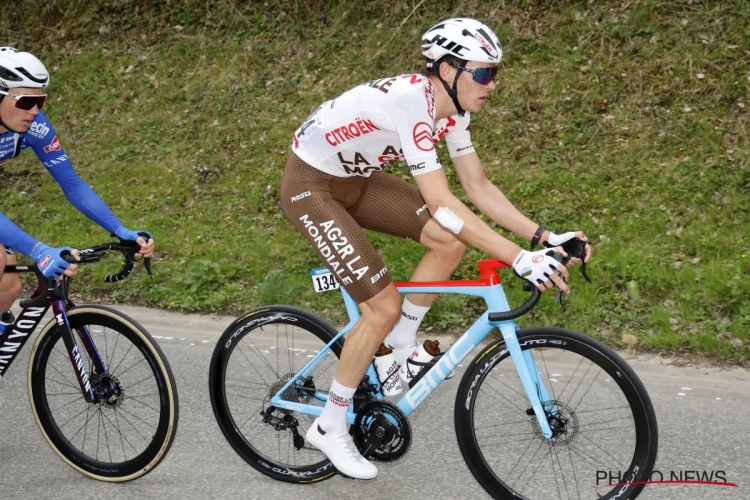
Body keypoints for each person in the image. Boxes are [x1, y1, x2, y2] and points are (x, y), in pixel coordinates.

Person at [280, 18, 591, 479]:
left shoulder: (454, 112)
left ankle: (398, 351)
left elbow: (477, 186)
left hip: (357, 180)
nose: (492, 85)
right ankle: (328, 426)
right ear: (447, 69)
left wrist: (544, 238)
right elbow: (442, 201)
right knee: (380, 307)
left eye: (495, 74)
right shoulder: (412, 101)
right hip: (311, 185)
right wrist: (519, 260)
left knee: (448, 243)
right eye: (484, 73)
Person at [0, 47, 153, 299]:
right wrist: (39, 250)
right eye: (26, 101)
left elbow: (71, 183)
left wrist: (119, 230)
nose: (35, 111)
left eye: (40, 101)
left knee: (8, 289)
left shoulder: (35, 126)